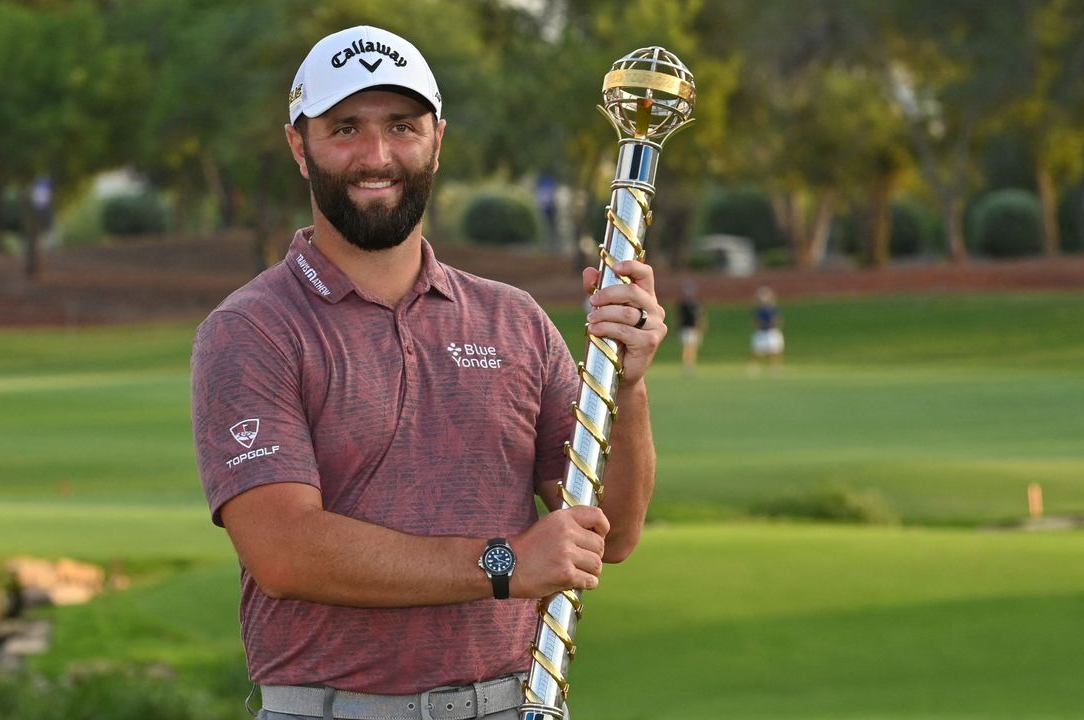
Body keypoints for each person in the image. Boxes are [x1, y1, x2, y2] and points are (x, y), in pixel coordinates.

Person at [190, 25, 666, 720]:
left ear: (437, 139)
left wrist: (627, 381)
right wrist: (503, 565)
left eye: (403, 127)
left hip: (514, 704)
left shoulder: (515, 320)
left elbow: (612, 534)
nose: (377, 156)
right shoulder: (253, 329)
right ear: (299, 145)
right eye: (346, 127)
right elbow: (284, 551)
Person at [749, 285, 784, 375]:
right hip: (762, 331)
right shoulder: (759, 309)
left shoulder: (773, 308)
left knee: (775, 350)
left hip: (772, 331)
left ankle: (775, 367)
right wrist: (758, 326)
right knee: (758, 350)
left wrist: (777, 325)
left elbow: (777, 319)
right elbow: (755, 320)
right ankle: (753, 366)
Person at [676, 280, 705, 376]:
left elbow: (699, 316)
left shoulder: (696, 303)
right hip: (685, 327)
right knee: (686, 347)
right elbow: (679, 317)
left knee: (692, 347)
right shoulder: (682, 304)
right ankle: (685, 365)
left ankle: (691, 364)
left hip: (693, 328)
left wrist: (700, 326)